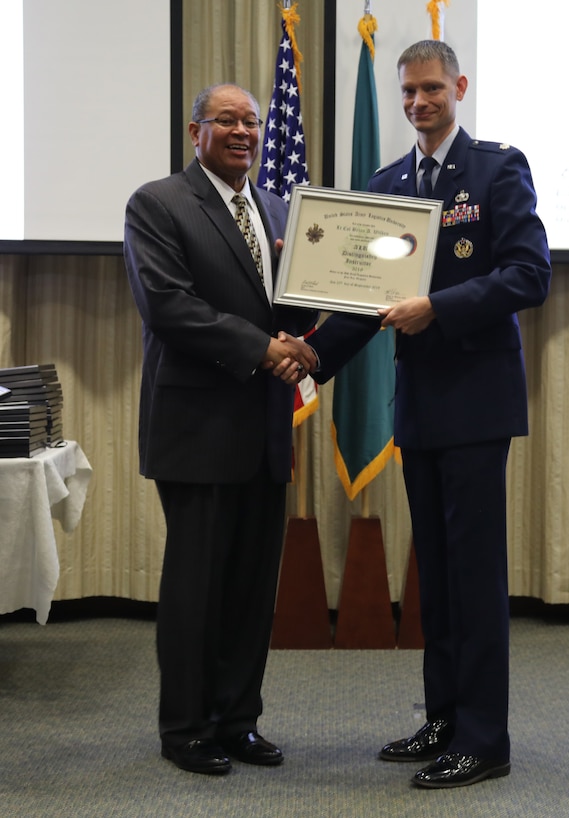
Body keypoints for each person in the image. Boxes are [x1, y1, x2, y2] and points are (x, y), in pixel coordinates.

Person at [300, 40, 551, 788]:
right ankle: (443, 716)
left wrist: (435, 308)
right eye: (408, 92)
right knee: (436, 578)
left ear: (460, 87)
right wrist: (310, 356)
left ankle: (485, 739)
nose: (418, 103)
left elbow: (529, 273)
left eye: (432, 88)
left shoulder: (497, 167)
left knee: (474, 577)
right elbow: (363, 306)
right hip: (418, 407)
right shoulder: (387, 182)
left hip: (477, 405)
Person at [124, 83, 318, 776]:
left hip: (263, 425)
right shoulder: (158, 203)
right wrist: (264, 349)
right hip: (197, 426)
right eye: (226, 120)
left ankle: (238, 720)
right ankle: (185, 729)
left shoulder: (271, 206)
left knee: (249, 586)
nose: (242, 131)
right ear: (195, 130)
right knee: (197, 586)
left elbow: (286, 308)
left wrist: (320, 324)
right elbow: (169, 307)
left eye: (251, 121)